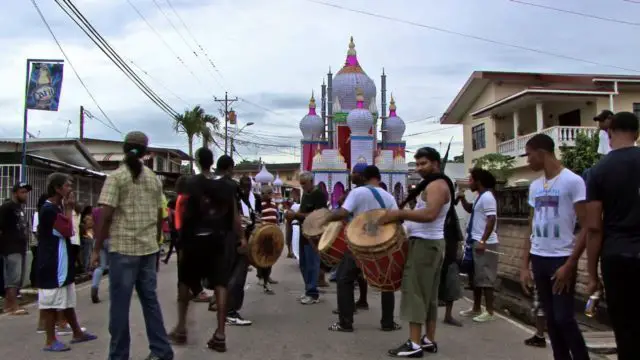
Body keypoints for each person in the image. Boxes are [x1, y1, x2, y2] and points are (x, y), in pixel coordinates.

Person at [92, 131, 173, 360]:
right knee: (150, 301)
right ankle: (161, 351)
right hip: (148, 249)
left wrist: (97, 249)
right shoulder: (154, 179)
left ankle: (119, 355)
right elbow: (160, 214)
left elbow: (105, 216)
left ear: (125, 149)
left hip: (122, 249)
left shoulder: (116, 177)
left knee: (119, 306)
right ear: (146, 153)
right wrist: (156, 242)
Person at [519, 133, 590, 360]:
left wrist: (570, 264)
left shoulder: (573, 181)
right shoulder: (535, 186)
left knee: (563, 318)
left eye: (529, 155)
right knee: (550, 319)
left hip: (561, 259)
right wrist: (524, 265)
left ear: (542, 153)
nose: (527, 161)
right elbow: (531, 226)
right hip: (539, 257)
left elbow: (587, 227)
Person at [379, 147, 454, 357]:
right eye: (418, 164)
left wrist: (400, 213)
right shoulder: (433, 184)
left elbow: (430, 214)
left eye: (424, 163)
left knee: (415, 293)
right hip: (428, 244)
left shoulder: (437, 185)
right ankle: (428, 340)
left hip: (425, 245)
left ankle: (414, 344)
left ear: (436, 164)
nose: (420, 168)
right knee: (428, 295)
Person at [168, 147, 244, 352]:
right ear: (212, 162)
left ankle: (181, 328)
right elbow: (236, 218)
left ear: (198, 161)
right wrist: (242, 238)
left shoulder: (189, 183)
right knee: (221, 284)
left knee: (184, 283)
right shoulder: (228, 186)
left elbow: (180, 213)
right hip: (218, 242)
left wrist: (179, 239)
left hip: (193, 241)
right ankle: (220, 334)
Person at [585, 111, 640, 360]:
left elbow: (594, 227)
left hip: (616, 256)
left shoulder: (598, 171)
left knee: (625, 328)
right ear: (637, 134)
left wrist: (592, 275)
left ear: (609, 134)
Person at [323, 164, 400, 333]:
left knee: (344, 280)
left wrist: (323, 218)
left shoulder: (357, 192)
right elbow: (397, 220)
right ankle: (388, 323)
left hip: (358, 243)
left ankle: (345, 323)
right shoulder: (389, 196)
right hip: (381, 244)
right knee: (386, 283)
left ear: (365, 177)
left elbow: (343, 213)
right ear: (378, 178)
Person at [37, 174, 97, 352]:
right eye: (67, 186)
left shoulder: (57, 207)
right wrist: (70, 209)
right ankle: (50, 340)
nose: (70, 189)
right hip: (52, 262)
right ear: (57, 188)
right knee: (51, 302)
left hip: (62, 260)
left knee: (68, 300)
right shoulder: (48, 209)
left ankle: (77, 332)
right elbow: (67, 230)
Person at [457, 168, 499, 323]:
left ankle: (489, 311)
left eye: (471, 180)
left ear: (478, 181)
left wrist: (483, 240)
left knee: (486, 277)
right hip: (475, 241)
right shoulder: (479, 197)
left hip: (485, 242)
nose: (469, 183)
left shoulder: (488, 197)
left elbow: (491, 219)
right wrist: (462, 199)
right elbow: (470, 209)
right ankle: (476, 307)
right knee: (476, 277)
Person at [285, 171, 326, 305]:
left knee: (312, 264)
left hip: (314, 235)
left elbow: (318, 215)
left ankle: (313, 293)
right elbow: (303, 212)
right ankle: (308, 289)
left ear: (311, 182)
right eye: (301, 184)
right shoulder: (305, 195)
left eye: (304, 184)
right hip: (304, 232)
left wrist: (296, 216)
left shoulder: (318, 195)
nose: (302, 186)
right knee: (303, 264)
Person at [225, 174, 256, 326]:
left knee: (235, 277)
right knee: (236, 278)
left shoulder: (245, 200)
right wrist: (243, 238)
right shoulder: (233, 202)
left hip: (238, 240)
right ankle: (230, 312)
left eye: (248, 185)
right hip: (236, 242)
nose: (245, 189)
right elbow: (238, 221)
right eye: (243, 186)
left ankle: (228, 309)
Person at [0, 182, 32, 315]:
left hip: (20, 247)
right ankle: (13, 306)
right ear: (15, 193)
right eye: (22, 192)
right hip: (10, 247)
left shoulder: (20, 208)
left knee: (17, 278)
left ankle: (9, 305)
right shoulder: (7, 207)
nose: (25, 195)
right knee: (13, 278)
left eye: (26, 192)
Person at [257, 184, 278, 294]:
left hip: (272, 235)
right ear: (263, 194)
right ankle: (261, 277)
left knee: (270, 258)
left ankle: (267, 277)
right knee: (261, 257)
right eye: (267, 193)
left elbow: (275, 218)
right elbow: (257, 217)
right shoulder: (260, 204)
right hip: (262, 235)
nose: (270, 195)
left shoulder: (274, 204)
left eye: (271, 192)